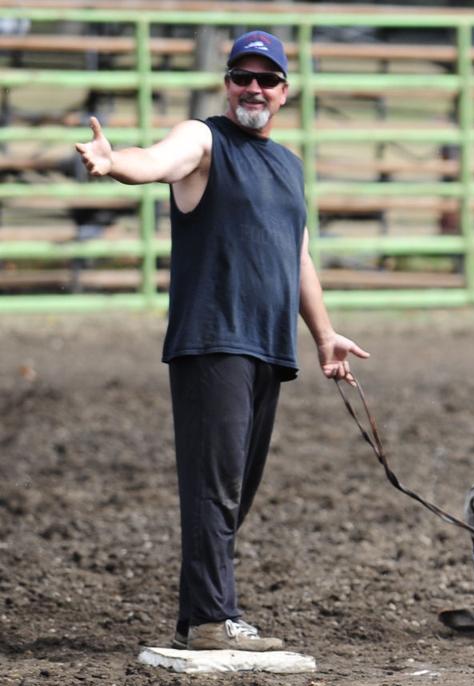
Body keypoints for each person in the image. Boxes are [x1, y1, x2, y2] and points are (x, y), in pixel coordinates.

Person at [75, 31, 369, 652]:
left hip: (268, 348)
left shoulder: (289, 166)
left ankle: (198, 615)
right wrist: (113, 162)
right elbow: (155, 161)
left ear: (285, 92)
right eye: (242, 76)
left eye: (267, 79)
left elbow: (299, 259)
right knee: (214, 486)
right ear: (227, 84)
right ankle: (213, 618)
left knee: (234, 490)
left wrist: (323, 336)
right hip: (213, 341)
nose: (253, 88)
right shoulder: (203, 140)